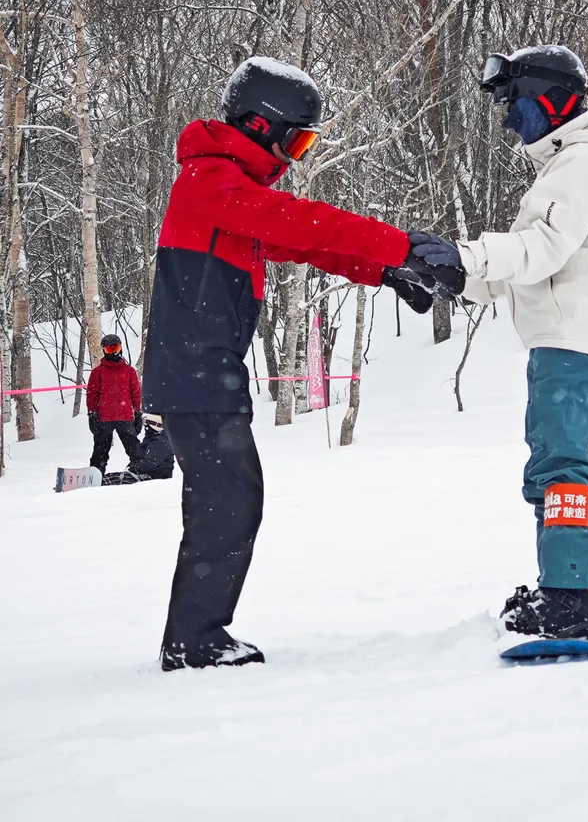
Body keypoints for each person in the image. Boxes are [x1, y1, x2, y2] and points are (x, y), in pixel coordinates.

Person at [141, 56, 437, 672]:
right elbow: (298, 220)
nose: (296, 156)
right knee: (228, 501)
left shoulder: (228, 191)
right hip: (195, 372)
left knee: (230, 499)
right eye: (296, 141)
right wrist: (397, 243)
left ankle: (194, 635)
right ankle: (193, 640)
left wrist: (385, 270)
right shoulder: (209, 180)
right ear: (260, 124)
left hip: (206, 372)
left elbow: (300, 243)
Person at [405, 45, 588, 641]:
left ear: (551, 100)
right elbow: (522, 268)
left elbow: (542, 249)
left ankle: (572, 597)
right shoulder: (563, 167)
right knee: (552, 470)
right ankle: (578, 586)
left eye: (513, 102)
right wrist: (451, 273)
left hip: (573, 339)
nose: (508, 118)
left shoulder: (583, 163)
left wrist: (466, 254)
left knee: (561, 468)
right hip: (562, 338)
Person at [87, 334, 143, 476]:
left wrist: (138, 413)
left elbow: (136, 394)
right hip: (104, 418)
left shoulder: (129, 371)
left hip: (125, 417)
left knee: (135, 449)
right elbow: (92, 395)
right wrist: (92, 414)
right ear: (104, 351)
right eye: (109, 349)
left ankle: (141, 472)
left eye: (116, 348)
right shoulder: (98, 372)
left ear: (121, 348)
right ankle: (95, 476)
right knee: (100, 451)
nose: (114, 352)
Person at [102, 414, 175, 485]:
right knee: (113, 477)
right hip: (144, 474)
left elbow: (148, 463)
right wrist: (131, 466)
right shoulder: (151, 438)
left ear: (155, 424)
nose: (145, 426)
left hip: (156, 478)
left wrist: (133, 467)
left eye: (146, 423)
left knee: (119, 480)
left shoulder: (161, 442)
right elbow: (139, 457)